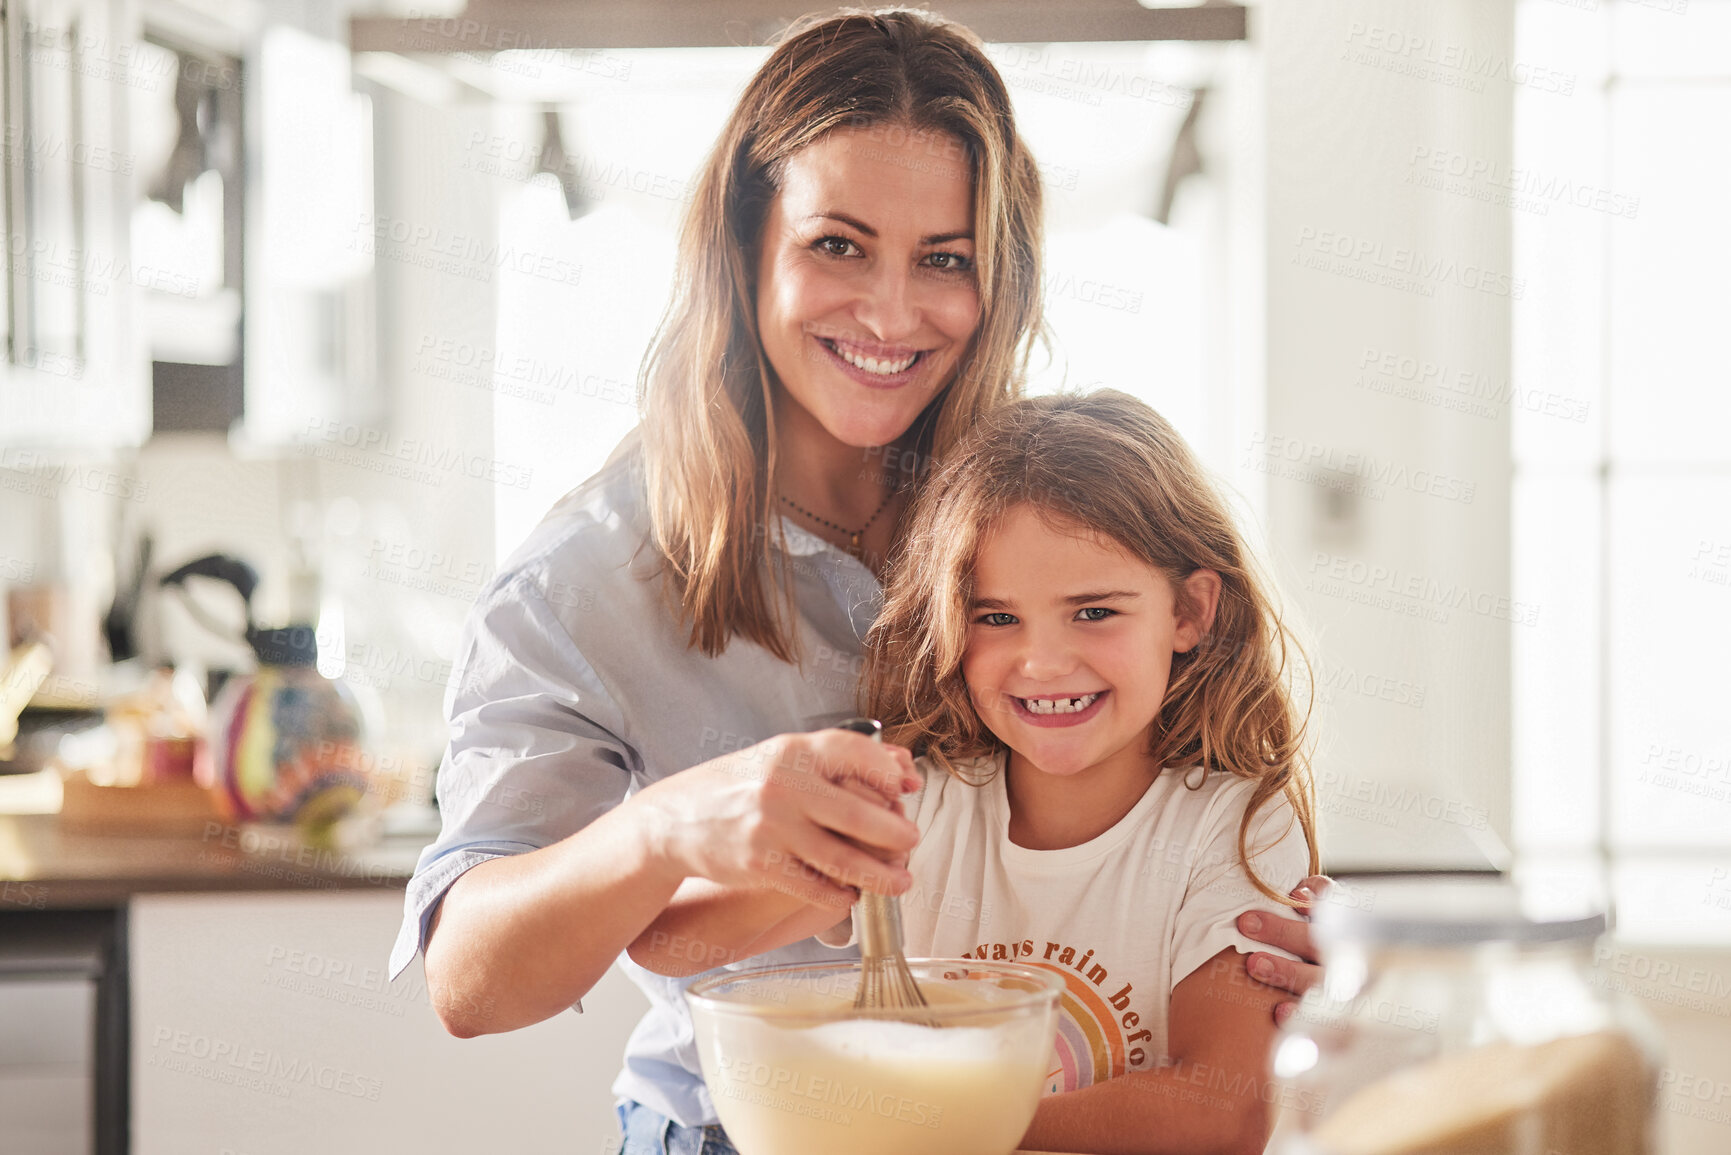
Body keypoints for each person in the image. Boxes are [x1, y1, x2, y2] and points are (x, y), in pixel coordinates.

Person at [391, 9, 1325, 1154]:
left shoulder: (1023, 502)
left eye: (945, 259)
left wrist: (1305, 970)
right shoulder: (580, 580)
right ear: (746, 246)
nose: (892, 314)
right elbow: (470, 984)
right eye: (838, 244)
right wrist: (668, 832)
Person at [634, 390, 1320, 1153]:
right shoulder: (922, 805)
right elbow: (668, 942)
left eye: (1093, 612)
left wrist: (926, 1124)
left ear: (1189, 612)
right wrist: (798, 825)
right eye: (996, 617)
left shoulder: (1230, 827)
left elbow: (1219, 1113)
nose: (1042, 661)